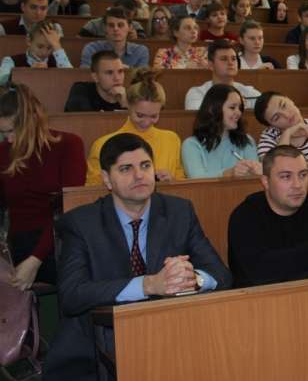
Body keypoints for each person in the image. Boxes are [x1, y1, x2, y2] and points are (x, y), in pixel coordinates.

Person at [45, 133, 230, 381]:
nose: (139, 175)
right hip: (98, 346)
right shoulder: (81, 223)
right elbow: (72, 295)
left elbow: (221, 275)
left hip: (169, 337)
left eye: (145, 166)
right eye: (126, 169)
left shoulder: (179, 212)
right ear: (107, 179)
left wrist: (190, 280)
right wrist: (149, 284)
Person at [227, 145, 308, 287]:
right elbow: (256, 273)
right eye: (286, 177)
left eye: (303, 175)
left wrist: (281, 263)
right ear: (266, 182)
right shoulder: (245, 216)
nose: (297, 185)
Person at [0, 84, 85, 290]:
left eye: (12, 131)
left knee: (74, 278)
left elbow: (67, 210)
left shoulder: (68, 144)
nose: (9, 139)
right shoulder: (3, 151)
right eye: (3, 133)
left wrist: (35, 259)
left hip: (60, 239)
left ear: (31, 123)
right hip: (18, 242)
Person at [85, 69, 184, 185]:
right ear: (127, 105)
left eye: (153, 116)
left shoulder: (171, 140)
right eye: (140, 115)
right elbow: (92, 188)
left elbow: (181, 180)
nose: (146, 122)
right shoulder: (103, 144)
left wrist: (171, 180)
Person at [181, 84, 260, 179]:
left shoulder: (247, 141)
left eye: (240, 108)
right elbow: (197, 179)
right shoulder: (191, 145)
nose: (238, 112)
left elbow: (255, 177)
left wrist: (255, 170)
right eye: (232, 107)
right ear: (213, 109)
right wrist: (228, 173)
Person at [185, 40, 261, 110]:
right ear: (211, 65)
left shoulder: (250, 93)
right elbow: (200, 118)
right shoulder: (197, 93)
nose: (230, 63)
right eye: (224, 59)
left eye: (233, 59)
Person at [0, 20, 72, 86]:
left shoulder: (58, 61)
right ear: (29, 41)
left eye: (49, 48)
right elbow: (1, 81)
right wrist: (28, 73)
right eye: (40, 47)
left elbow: (71, 78)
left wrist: (57, 46)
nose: (44, 52)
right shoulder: (11, 60)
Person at [79, 7, 150, 69]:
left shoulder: (141, 51)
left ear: (130, 27)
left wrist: (128, 71)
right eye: (111, 25)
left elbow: (142, 79)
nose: (115, 29)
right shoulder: (92, 49)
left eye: (120, 25)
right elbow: (85, 75)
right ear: (105, 28)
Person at [64, 51, 129, 112]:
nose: (117, 78)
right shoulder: (81, 90)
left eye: (120, 71)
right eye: (109, 73)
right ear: (95, 77)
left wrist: (126, 104)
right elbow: (81, 120)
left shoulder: (131, 94)